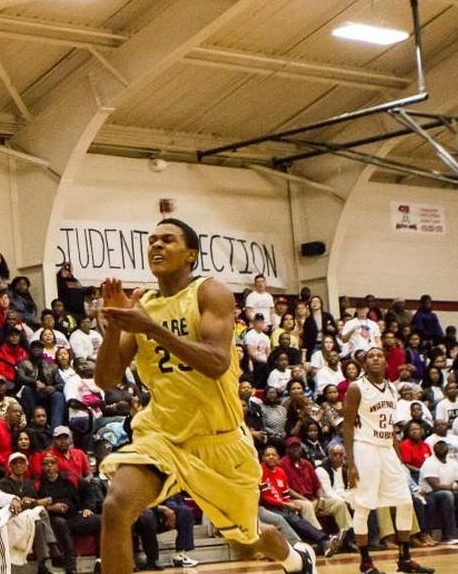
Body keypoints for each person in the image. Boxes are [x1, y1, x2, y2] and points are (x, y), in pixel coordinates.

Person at [96, 218, 317, 574]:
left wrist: (150, 327)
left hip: (219, 440)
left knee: (247, 541)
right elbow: (106, 379)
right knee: (116, 505)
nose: (156, 246)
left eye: (168, 240)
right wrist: (115, 324)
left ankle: (296, 559)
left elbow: (215, 362)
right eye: (152, 240)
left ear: (190, 254)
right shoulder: (144, 304)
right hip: (163, 434)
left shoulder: (210, 292)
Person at [342, 347, 434, 574]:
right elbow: (347, 426)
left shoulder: (392, 389)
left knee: (405, 501)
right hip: (365, 449)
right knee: (363, 506)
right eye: (370, 356)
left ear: (386, 363)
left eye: (379, 356)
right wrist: (351, 464)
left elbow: (391, 426)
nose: (375, 358)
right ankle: (365, 563)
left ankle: (404, 559)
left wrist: (397, 452)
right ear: (364, 363)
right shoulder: (356, 388)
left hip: (386, 450)